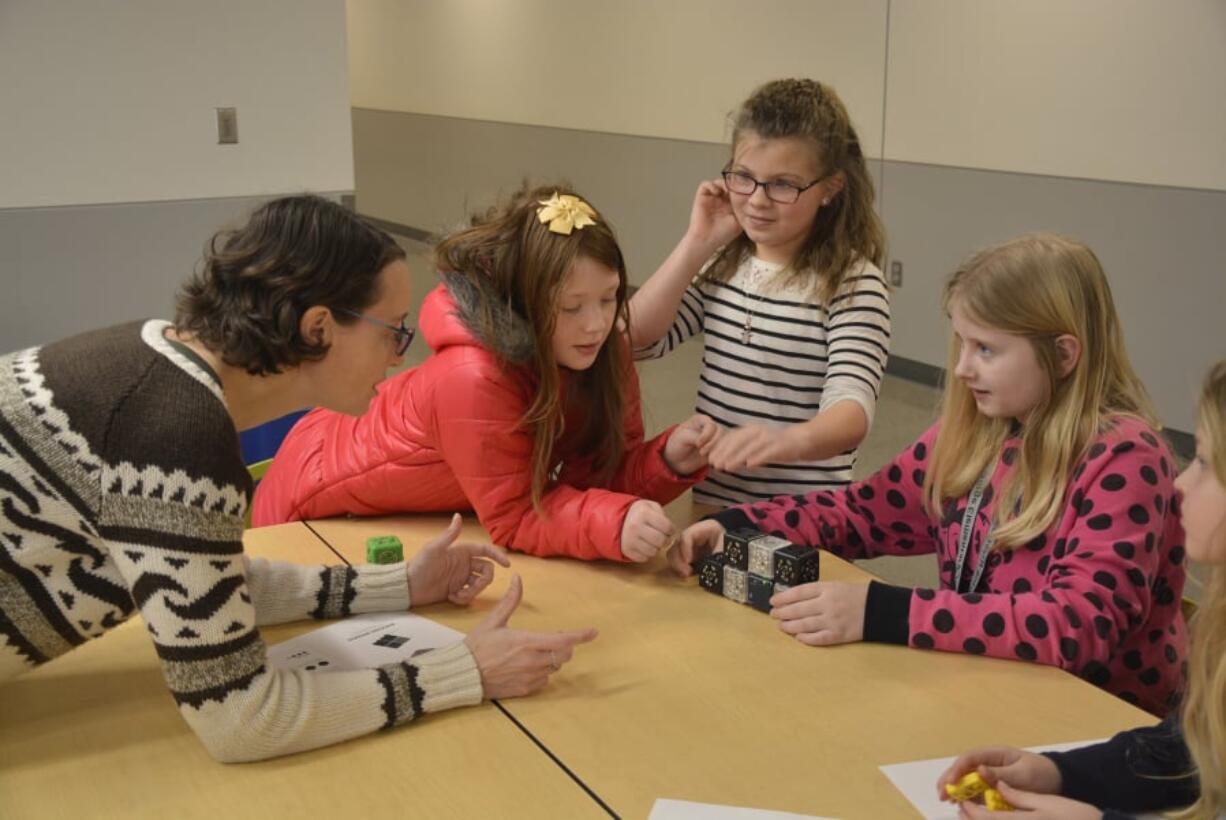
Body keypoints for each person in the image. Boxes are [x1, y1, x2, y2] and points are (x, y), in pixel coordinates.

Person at [0, 195, 596, 762]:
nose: (399, 356)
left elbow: (207, 583)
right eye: (392, 329)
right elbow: (241, 719)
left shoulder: (151, 358)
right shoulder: (173, 434)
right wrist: (466, 671)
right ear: (318, 328)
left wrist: (396, 586)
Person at [674, 233, 1186, 716]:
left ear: (1064, 355)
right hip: (982, 687)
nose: (963, 369)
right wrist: (739, 522)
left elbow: (1077, 625)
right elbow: (862, 513)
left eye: (986, 349)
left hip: (1091, 724)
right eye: (961, 343)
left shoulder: (1125, 457)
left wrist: (884, 612)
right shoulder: (979, 430)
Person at [253, 185, 716, 562]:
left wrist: (667, 460)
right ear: (524, 304)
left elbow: (595, 478)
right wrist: (613, 524)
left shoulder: (602, 350)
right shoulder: (472, 377)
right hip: (308, 510)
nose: (596, 324)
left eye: (609, 297)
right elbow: (514, 516)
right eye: (571, 306)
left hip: (418, 507)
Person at [936, 362, 1226, 819]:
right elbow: (1190, 750)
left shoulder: (1126, 453)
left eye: (1206, 464)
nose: (1181, 483)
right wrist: (1059, 773)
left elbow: (1077, 621)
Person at [629, 77, 890, 506]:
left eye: (783, 184)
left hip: (804, 516)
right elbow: (637, 338)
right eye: (743, 178)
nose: (757, 200)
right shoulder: (722, 263)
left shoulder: (853, 284)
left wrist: (785, 442)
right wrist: (696, 243)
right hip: (716, 503)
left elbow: (850, 411)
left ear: (831, 188)